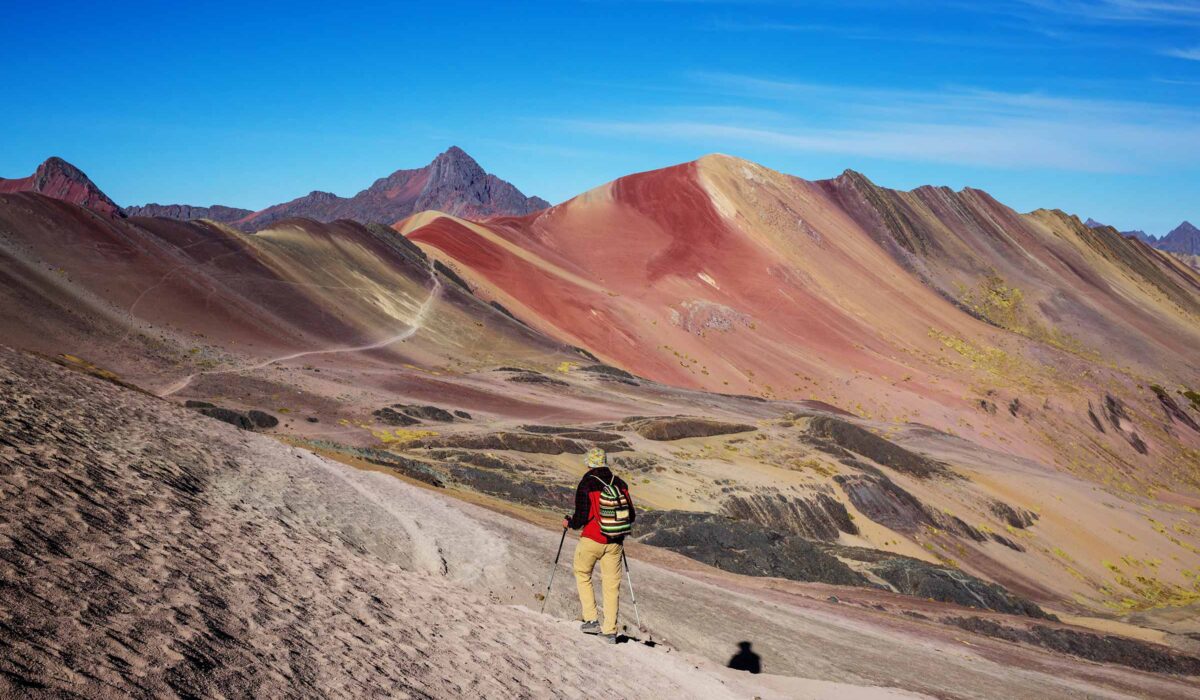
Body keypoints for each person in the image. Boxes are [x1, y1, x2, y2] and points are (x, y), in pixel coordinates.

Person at [562, 447, 635, 644]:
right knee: (611, 585)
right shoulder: (619, 483)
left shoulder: (587, 483)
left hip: (592, 539)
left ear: (589, 463)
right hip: (615, 542)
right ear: (605, 461)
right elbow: (632, 515)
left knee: (582, 573)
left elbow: (582, 516)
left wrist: (570, 523)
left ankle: (591, 619)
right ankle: (610, 630)